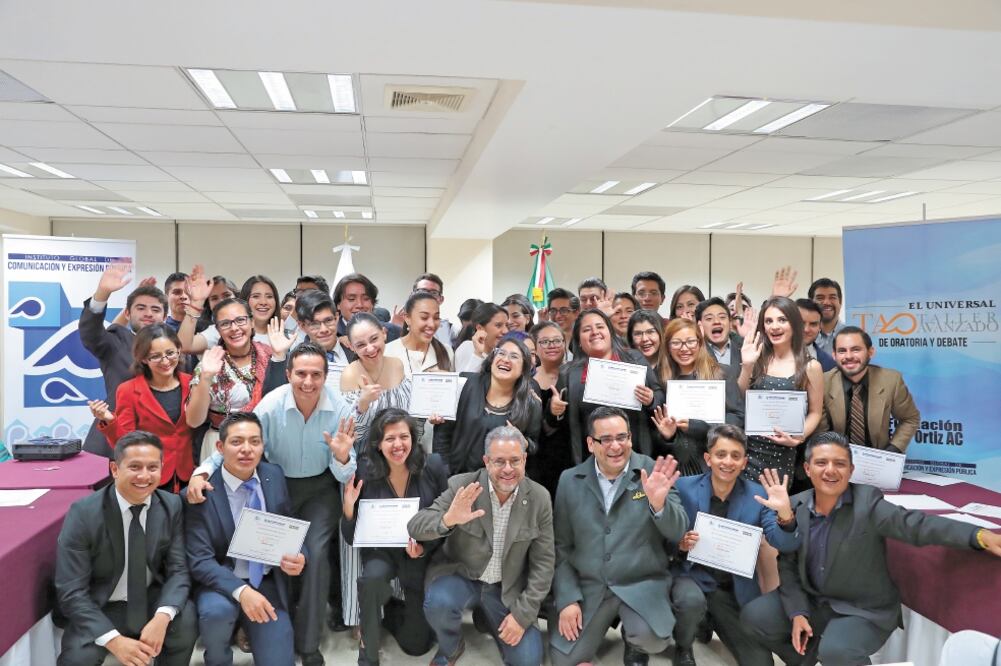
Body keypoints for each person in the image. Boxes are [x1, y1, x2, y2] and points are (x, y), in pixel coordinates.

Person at [741, 432, 1001, 665]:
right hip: (814, 599)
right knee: (754, 617)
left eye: (839, 463)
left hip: (862, 609)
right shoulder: (794, 505)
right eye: (821, 463)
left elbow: (918, 526)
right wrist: (798, 612)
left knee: (837, 651)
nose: (830, 470)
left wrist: (978, 536)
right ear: (807, 469)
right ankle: (806, 660)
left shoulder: (869, 503)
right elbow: (787, 565)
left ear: (851, 470)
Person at [187, 343, 372, 666]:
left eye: (316, 374)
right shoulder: (271, 406)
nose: (308, 381)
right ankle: (261, 619)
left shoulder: (341, 409)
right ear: (288, 374)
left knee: (313, 556)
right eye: (300, 373)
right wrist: (201, 472)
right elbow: (237, 442)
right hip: (275, 485)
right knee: (275, 556)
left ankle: (309, 642)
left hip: (320, 489)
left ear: (326, 377)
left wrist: (342, 456)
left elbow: (346, 470)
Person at [550, 406, 687, 666]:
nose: (616, 446)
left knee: (653, 639)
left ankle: (632, 635)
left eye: (622, 437)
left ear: (631, 439)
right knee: (562, 660)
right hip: (591, 585)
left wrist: (659, 505)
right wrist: (568, 599)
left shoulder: (653, 471)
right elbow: (562, 547)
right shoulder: (570, 480)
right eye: (606, 439)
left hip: (640, 582)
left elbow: (678, 530)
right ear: (591, 444)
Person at [409, 426, 555, 666]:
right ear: (486, 461)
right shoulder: (462, 487)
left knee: (528, 661)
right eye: (499, 461)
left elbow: (544, 564)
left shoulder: (539, 498)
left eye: (514, 461)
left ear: (524, 459)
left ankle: (487, 617)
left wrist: (521, 616)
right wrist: (448, 519)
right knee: (439, 603)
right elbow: (416, 526)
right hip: (461, 577)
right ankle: (451, 647)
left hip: (506, 587)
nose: (508, 469)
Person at [54, 431, 197, 666]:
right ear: (114, 469)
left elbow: (179, 571)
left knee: (185, 618)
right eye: (135, 467)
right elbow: (71, 591)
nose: (144, 476)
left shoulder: (170, 505)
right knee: (78, 657)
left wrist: (162, 616)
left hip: (151, 599)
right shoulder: (84, 513)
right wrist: (114, 641)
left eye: (153, 467)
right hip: (101, 604)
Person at [670, 425, 800, 666]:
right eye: (721, 455)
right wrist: (680, 544)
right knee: (691, 601)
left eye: (735, 456)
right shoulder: (683, 487)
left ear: (744, 462)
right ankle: (683, 645)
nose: (727, 462)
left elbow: (783, 541)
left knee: (761, 663)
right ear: (708, 459)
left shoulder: (758, 495)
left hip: (730, 587)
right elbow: (664, 536)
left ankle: (708, 620)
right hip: (691, 577)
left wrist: (785, 514)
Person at [184, 413, 305, 666]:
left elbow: (288, 523)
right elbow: (200, 561)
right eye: (237, 442)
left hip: (266, 581)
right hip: (221, 582)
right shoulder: (198, 494)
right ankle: (217, 657)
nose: (247, 450)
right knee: (217, 612)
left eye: (255, 442)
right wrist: (242, 592)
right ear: (220, 447)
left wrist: (301, 554)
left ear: (263, 446)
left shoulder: (273, 475)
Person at [340, 409, 450, 666]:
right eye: (390, 438)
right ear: (378, 443)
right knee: (371, 578)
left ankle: (391, 609)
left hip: (419, 554)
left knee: (417, 646)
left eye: (404, 436)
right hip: (382, 553)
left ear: (414, 437)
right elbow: (350, 537)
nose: (398, 445)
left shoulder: (432, 465)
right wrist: (348, 508)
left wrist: (423, 549)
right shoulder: (364, 471)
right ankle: (368, 647)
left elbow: (446, 522)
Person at [547, 309, 665, 465]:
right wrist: (554, 410)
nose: (595, 332)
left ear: (610, 332)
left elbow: (659, 397)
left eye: (600, 327)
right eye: (587, 329)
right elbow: (553, 423)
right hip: (589, 460)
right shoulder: (568, 372)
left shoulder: (635, 359)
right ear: (579, 341)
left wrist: (651, 399)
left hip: (635, 455)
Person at [88, 325, 194, 493]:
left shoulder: (193, 383)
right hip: (148, 476)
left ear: (179, 350)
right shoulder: (128, 390)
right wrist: (110, 420)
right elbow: (126, 442)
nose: (165, 361)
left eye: (170, 353)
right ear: (143, 358)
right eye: (156, 356)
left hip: (190, 473)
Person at [79, 264, 167, 456]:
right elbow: (91, 333)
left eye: (155, 309)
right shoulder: (116, 340)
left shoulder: (174, 351)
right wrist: (102, 293)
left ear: (165, 316)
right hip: (111, 443)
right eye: (141, 308)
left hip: (161, 446)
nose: (149, 313)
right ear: (127, 313)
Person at [185, 298, 288, 461]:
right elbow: (193, 421)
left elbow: (283, 404)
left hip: (265, 441)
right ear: (217, 330)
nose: (234, 328)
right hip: (221, 444)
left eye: (240, 320)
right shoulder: (211, 362)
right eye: (225, 324)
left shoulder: (270, 355)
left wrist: (280, 356)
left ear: (252, 322)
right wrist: (206, 377)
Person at [736, 297, 824, 482]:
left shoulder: (810, 367)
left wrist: (798, 437)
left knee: (774, 507)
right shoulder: (756, 357)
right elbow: (740, 398)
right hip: (747, 447)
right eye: (769, 321)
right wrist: (747, 366)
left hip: (783, 451)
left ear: (794, 323)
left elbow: (816, 412)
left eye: (782, 320)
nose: (774, 326)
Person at [651, 318, 744, 477]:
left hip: (716, 464)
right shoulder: (661, 379)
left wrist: (698, 427)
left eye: (690, 342)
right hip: (677, 467)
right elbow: (654, 431)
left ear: (700, 343)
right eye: (676, 343)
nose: (684, 348)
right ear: (667, 347)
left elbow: (737, 418)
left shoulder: (721, 373)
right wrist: (668, 435)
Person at [435, 337, 542, 474]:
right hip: (457, 477)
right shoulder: (465, 384)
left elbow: (534, 446)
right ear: (492, 359)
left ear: (523, 369)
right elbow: (442, 435)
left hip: (503, 480)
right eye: (501, 353)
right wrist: (445, 474)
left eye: (514, 356)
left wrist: (524, 442)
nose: (505, 359)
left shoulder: (530, 404)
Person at [819, 326, 920, 452]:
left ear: (870, 352)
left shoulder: (891, 380)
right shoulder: (822, 383)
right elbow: (821, 433)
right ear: (834, 355)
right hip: (836, 458)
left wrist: (894, 449)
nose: (849, 356)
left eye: (856, 350)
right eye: (842, 351)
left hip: (878, 459)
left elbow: (910, 419)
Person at [178, 268, 275, 353]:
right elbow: (183, 346)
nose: (221, 301)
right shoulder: (217, 331)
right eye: (214, 298)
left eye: (226, 295)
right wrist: (195, 303)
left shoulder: (279, 332)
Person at [529, 321, 573, 497]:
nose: (552, 346)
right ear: (536, 347)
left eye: (557, 340)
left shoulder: (575, 375)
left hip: (571, 453)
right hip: (537, 457)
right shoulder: (527, 378)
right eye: (545, 342)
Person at [385, 289, 455, 377]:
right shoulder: (388, 352)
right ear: (407, 318)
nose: (432, 324)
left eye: (436, 317)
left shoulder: (446, 351)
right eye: (424, 317)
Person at [296, 290, 353, 386]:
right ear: (302, 326)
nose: (324, 329)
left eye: (328, 320)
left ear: (336, 317)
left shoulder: (355, 350)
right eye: (314, 324)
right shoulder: (295, 359)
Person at [333, 273, 402, 352]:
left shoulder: (393, 331)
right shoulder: (331, 335)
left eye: (366, 298)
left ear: (372, 303)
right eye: (351, 299)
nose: (359, 305)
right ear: (338, 304)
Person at [453, 302, 508, 373]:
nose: (505, 331)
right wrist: (478, 354)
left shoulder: (497, 352)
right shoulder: (467, 347)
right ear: (480, 328)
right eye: (498, 325)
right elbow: (465, 382)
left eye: (507, 325)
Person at [410, 272, 459, 346]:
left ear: (441, 299)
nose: (427, 296)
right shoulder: (399, 326)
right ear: (412, 296)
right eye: (422, 291)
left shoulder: (451, 330)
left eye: (434, 293)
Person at [696, 297, 742, 367]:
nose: (716, 321)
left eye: (722, 317)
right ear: (700, 325)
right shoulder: (694, 351)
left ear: (730, 323)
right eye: (709, 318)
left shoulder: (743, 346)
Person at [627, 309, 669, 384]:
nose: (644, 339)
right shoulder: (625, 365)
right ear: (631, 338)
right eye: (638, 333)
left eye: (650, 332)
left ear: (661, 333)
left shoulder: (673, 364)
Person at [795, 298, 837, 371]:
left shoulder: (830, 364)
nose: (806, 329)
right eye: (801, 323)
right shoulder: (771, 355)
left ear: (820, 327)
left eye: (813, 324)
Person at [808, 277, 845, 356]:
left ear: (840, 302)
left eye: (832, 297)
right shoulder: (802, 335)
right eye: (820, 298)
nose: (826, 302)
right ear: (810, 302)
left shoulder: (851, 335)